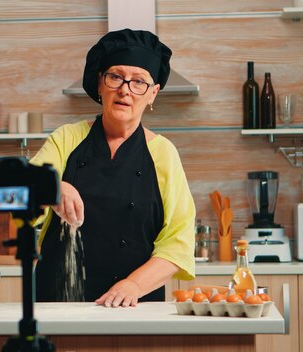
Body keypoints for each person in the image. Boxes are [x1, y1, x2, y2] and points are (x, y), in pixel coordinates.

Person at [30, 28, 196, 307]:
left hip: (135, 306)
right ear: (100, 84)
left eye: (139, 82)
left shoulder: (163, 154)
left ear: (153, 94)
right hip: (57, 304)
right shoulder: (66, 139)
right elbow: (14, 193)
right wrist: (53, 186)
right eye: (115, 76)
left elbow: (178, 242)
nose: (125, 90)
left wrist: (133, 285)